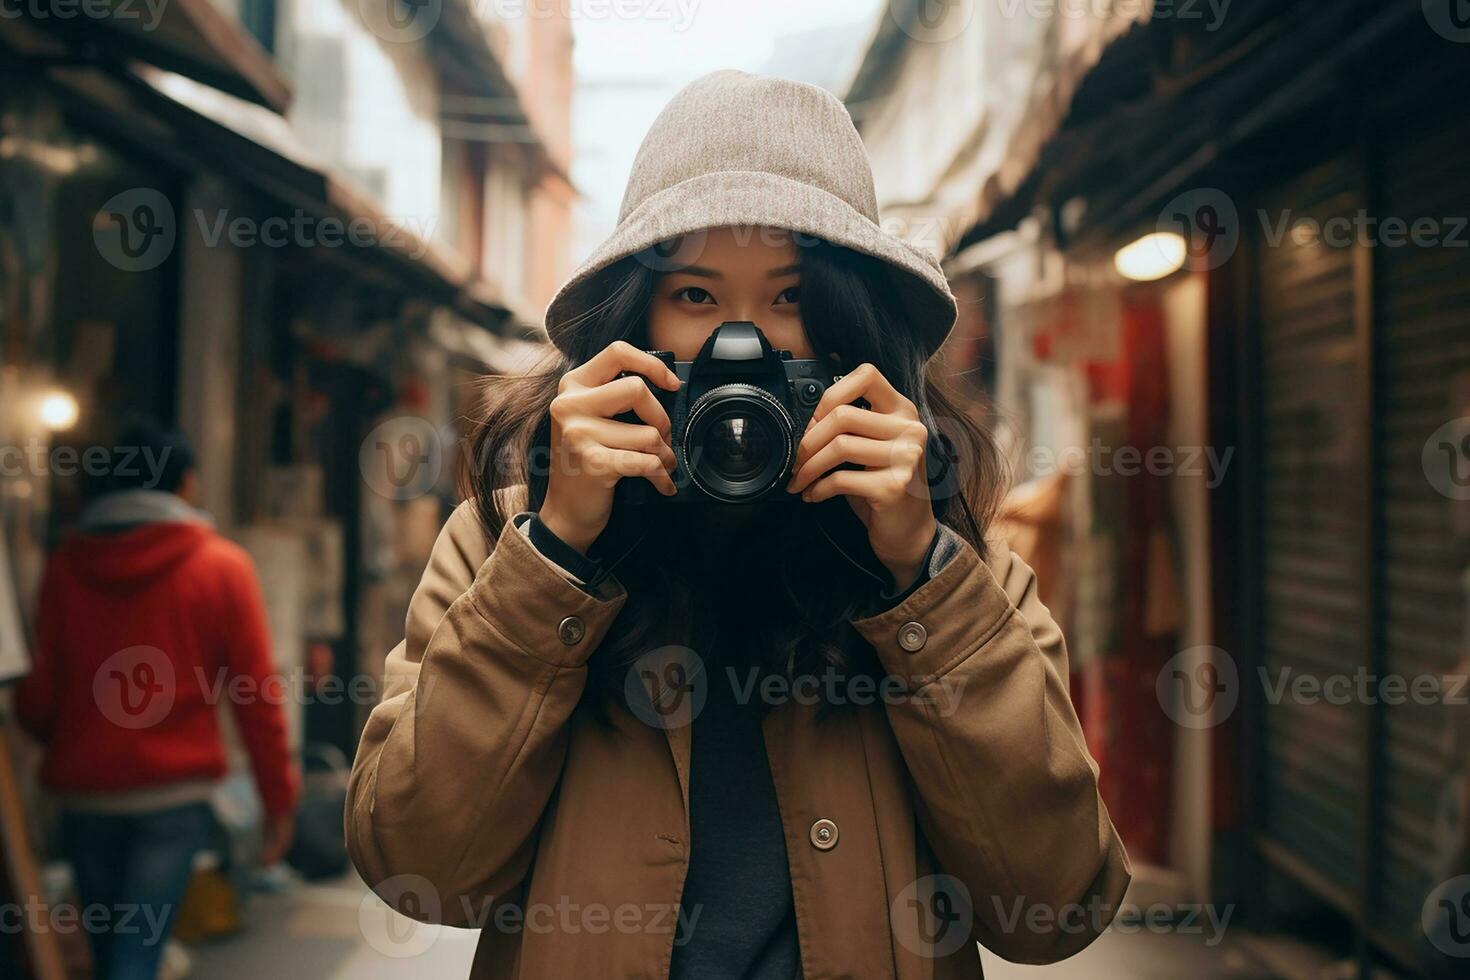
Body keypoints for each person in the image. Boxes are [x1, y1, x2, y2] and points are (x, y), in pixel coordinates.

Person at [347, 70, 1129, 979]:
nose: (742, 346)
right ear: (628, 328)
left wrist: (921, 578)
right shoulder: (508, 549)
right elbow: (420, 874)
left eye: (792, 299)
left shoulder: (954, 564)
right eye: (696, 297)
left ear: (854, 332)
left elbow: (1059, 904)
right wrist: (557, 555)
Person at [16, 420, 299, 980]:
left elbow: (39, 692)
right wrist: (278, 799)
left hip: (85, 796)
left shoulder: (67, 565)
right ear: (187, 485)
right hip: (173, 799)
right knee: (137, 954)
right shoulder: (222, 567)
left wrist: (77, 739)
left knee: (106, 957)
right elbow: (256, 695)